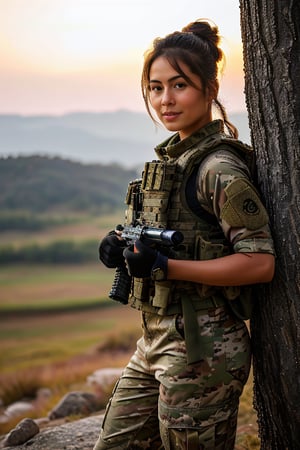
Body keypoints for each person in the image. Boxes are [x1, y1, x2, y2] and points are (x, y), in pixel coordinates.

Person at [94, 19, 275, 450]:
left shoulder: (218, 169)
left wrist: (164, 265)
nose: (165, 100)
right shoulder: (177, 161)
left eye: (179, 85)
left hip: (203, 349)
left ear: (210, 89)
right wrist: (121, 243)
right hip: (155, 339)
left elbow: (260, 263)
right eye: (155, 88)